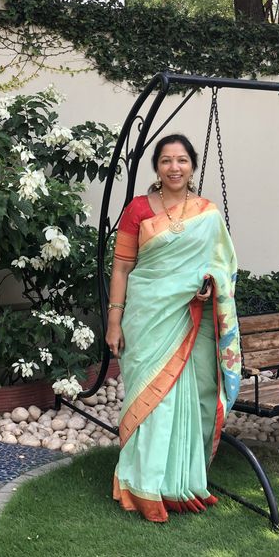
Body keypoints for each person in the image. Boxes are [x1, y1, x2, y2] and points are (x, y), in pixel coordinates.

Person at [106, 134, 241, 523]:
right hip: (147, 316)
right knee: (152, 399)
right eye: (166, 161)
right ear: (157, 167)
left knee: (192, 398)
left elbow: (224, 267)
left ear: (192, 166)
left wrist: (208, 283)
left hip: (192, 317)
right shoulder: (137, 210)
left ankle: (181, 482)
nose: (174, 167)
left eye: (182, 160)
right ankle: (141, 485)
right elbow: (121, 268)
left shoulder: (208, 214)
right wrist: (114, 321)